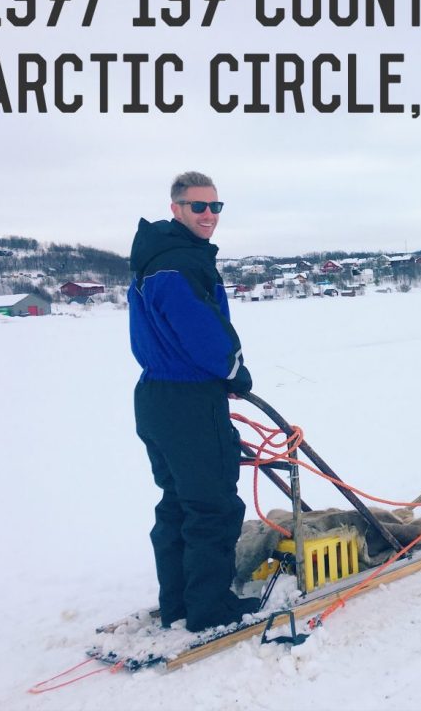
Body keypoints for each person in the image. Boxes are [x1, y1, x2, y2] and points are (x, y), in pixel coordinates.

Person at [127, 171, 259, 631]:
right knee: (212, 506)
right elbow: (201, 332)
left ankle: (180, 601)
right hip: (187, 399)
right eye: (198, 207)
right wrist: (233, 371)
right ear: (176, 209)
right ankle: (209, 609)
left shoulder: (155, 256)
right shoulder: (180, 262)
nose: (208, 216)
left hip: (158, 396)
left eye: (215, 207)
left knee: (180, 502)